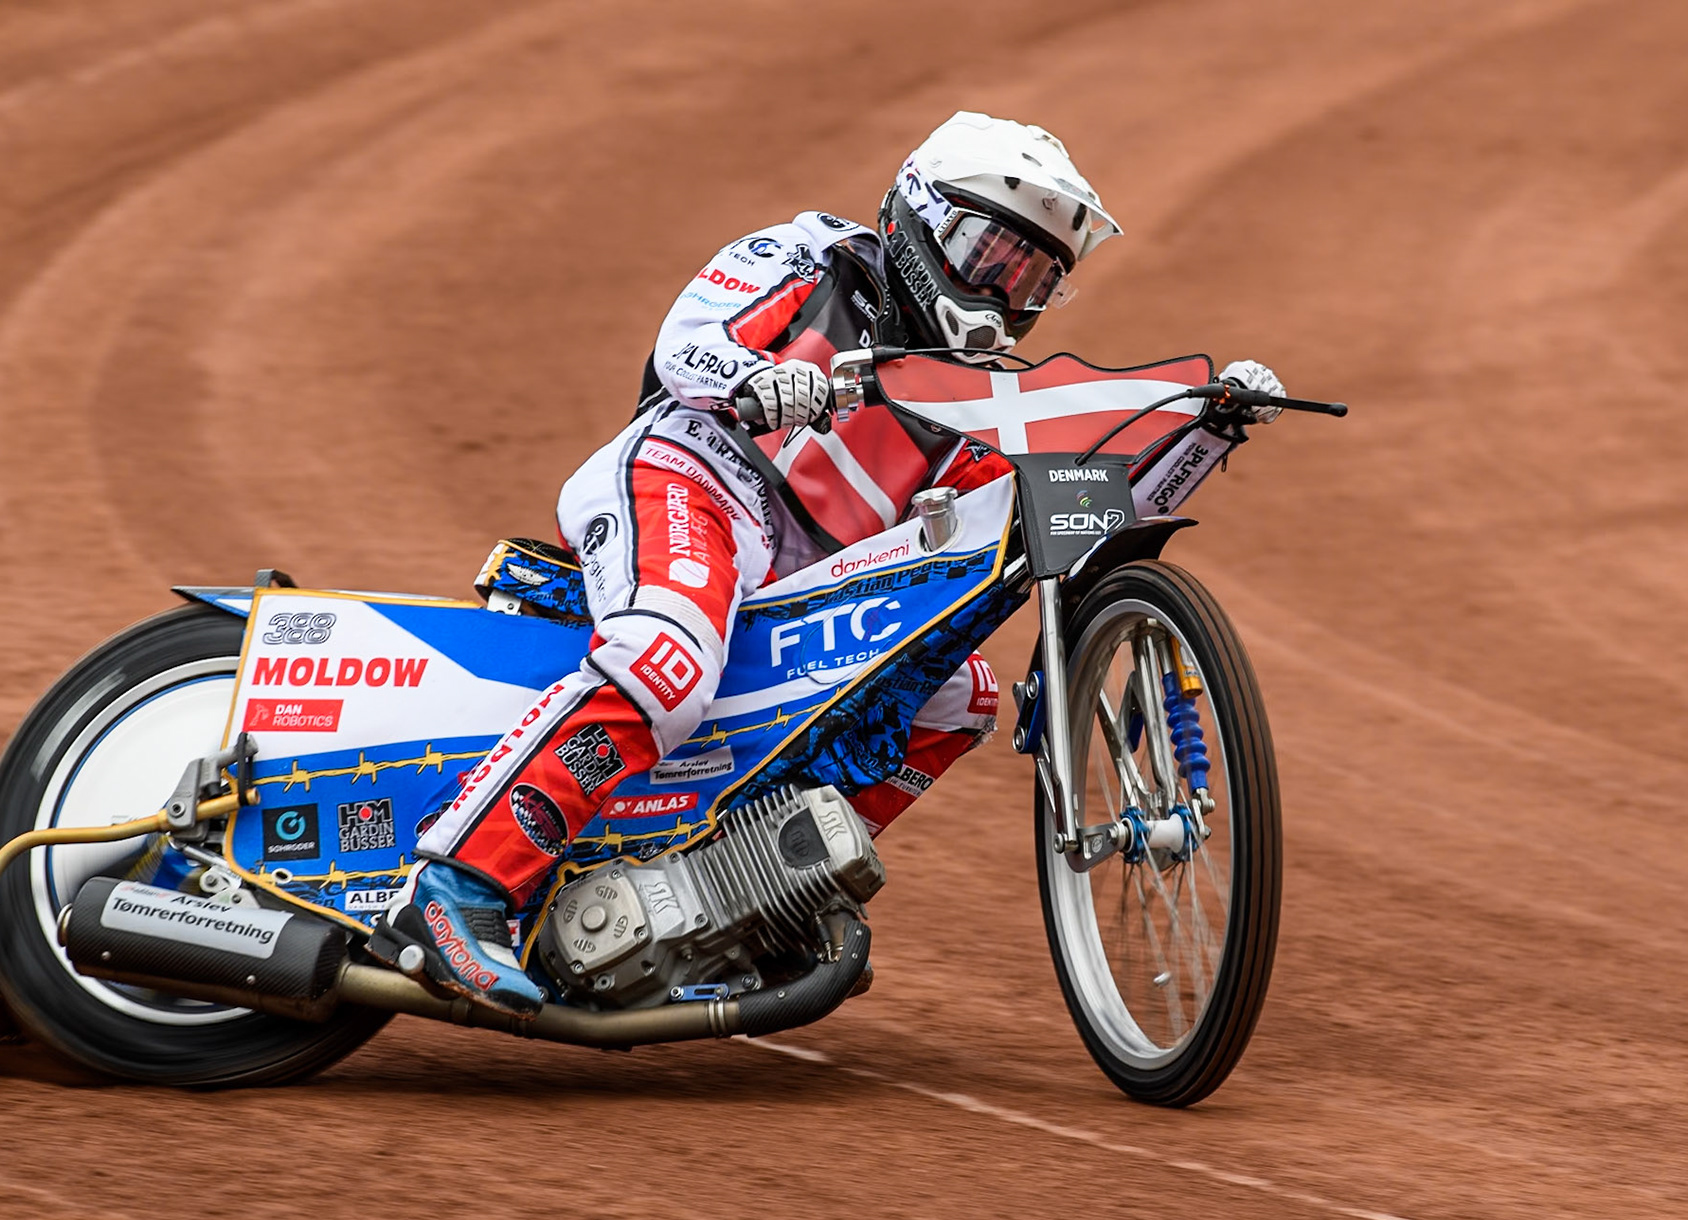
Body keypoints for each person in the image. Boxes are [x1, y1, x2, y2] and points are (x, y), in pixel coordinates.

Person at [378, 111, 1285, 1016]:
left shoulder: (984, 395)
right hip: (696, 475)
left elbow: (1089, 507)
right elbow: (685, 338)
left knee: (955, 694)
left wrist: (1207, 429)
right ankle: (456, 889)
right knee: (668, 658)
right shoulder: (818, 255)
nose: (1006, 291)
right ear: (920, 219)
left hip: (807, 579)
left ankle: (753, 898)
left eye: (1035, 275)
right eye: (992, 256)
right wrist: (750, 377)